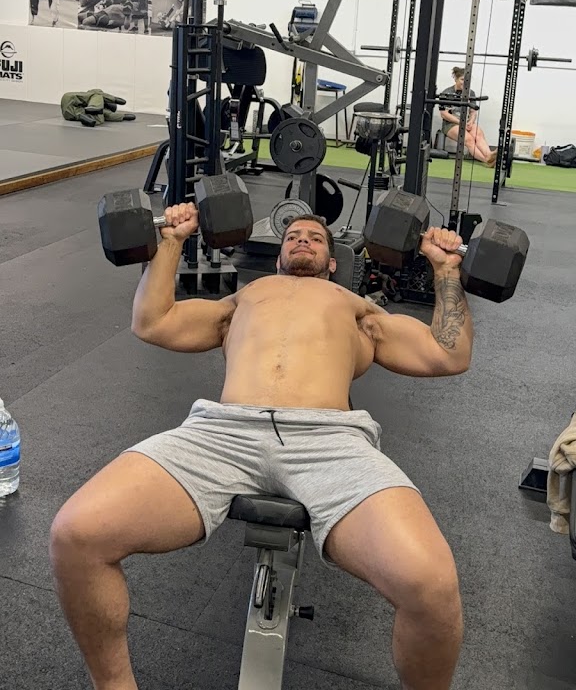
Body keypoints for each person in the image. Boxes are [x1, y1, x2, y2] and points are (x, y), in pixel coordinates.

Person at [50, 210, 473, 690]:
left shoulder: (358, 310)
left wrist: (446, 270)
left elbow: (448, 353)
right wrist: (171, 241)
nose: (303, 241)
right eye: (292, 237)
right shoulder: (243, 299)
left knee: (431, 586)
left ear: (334, 261)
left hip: (329, 441)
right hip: (221, 433)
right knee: (76, 534)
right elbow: (152, 322)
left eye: (315, 238)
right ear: (277, 256)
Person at [438, 67, 496, 166]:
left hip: (467, 122)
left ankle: (489, 155)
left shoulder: (471, 93)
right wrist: (461, 123)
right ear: (455, 79)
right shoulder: (447, 92)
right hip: (451, 124)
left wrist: (471, 121)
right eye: (462, 79)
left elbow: (473, 112)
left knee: (478, 134)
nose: (465, 82)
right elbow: (444, 114)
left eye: (467, 80)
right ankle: (487, 160)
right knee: (469, 139)